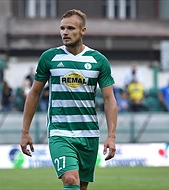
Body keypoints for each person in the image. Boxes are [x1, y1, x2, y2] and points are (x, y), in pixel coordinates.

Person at [20, 9, 118, 190]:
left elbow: (109, 99)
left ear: (83, 31)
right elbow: (34, 93)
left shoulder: (99, 60)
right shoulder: (49, 57)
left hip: (89, 134)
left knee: (81, 186)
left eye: (70, 28)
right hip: (60, 132)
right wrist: (25, 131)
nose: (65, 32)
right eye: (62, 28)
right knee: (71, 180)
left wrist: (111, 136)